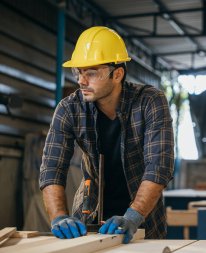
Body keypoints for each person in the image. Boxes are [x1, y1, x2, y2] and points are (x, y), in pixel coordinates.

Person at [39, 26, 174, 243]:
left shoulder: (150, 101)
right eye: (78, 72)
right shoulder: (69, 108)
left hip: (143, 217)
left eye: (91, 72)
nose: (81, 81)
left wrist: (133, 216)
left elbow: (159, 166)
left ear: (117, 74)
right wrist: (58, 217)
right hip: (89, 215)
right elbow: (52, 168)